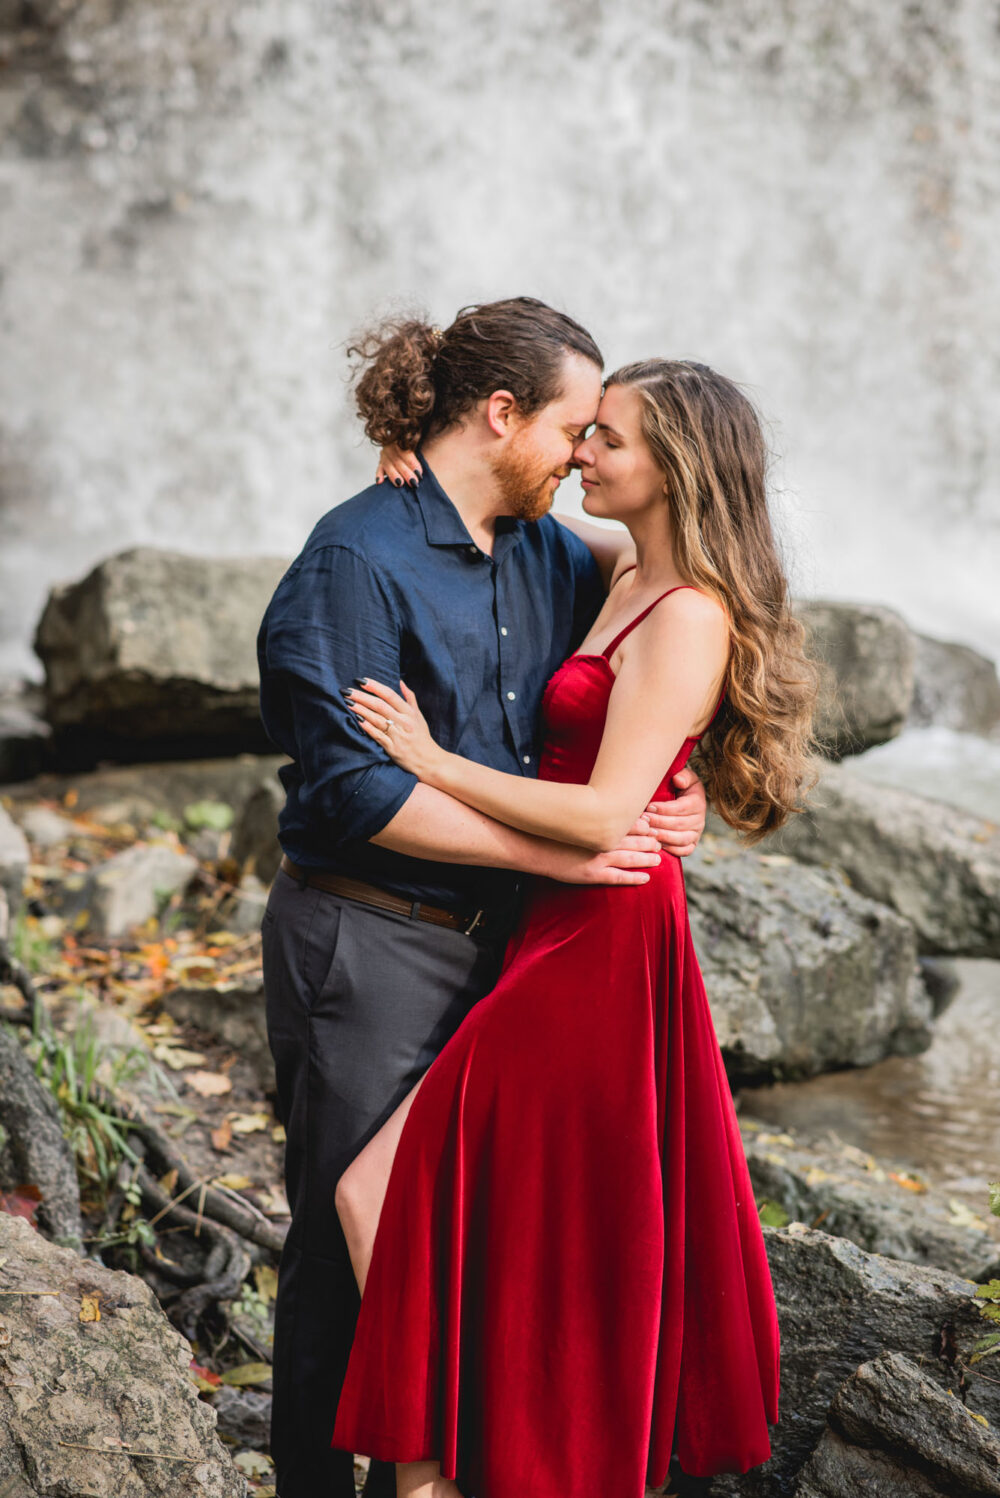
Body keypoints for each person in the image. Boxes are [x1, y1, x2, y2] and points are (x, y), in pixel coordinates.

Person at [332, 359, 817, 1498]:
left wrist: (430, 761)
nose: (580, 453)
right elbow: (501, 512)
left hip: (597, 936)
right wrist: (418, 473)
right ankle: (460, 1465)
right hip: (554, 920)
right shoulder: (625, 568)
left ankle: (436, 1477)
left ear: (676, 469)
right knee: (518, 1220)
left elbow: (606, 810)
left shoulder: (688, 616)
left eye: (608, 439)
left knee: (382, 1191)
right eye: (582, 431)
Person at [256, 300, 709, 1498]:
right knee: (347, 1251)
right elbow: (354, 791)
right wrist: (560, 859)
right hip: (372, 934)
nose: (580, 453)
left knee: (474, 1243)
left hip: (514, 954)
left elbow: (663, 625)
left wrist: (677, 781)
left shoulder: (557, 552)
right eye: (572, 427)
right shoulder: (356, 558)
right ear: (501, 414)